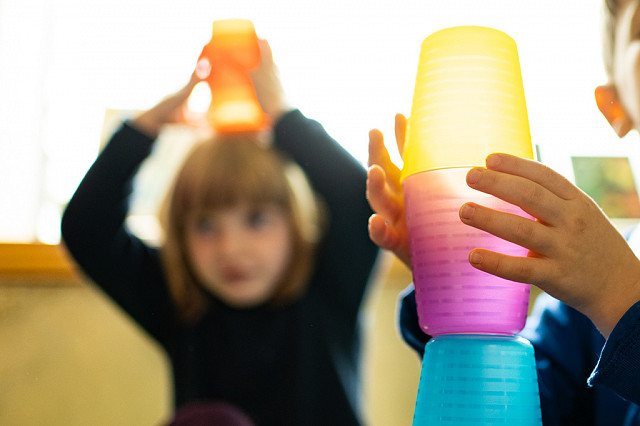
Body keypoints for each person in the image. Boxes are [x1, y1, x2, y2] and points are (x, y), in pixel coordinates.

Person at [61, 39, 379, 426]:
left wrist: (283, 116)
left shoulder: (327, 285)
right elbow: (85, 229)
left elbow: (358, 200)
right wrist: (148, 126)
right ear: (180, 234)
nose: (231, 248)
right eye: (206, 226)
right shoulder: (182, 301)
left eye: (257, 220)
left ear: (295, 225)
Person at [366, 0, 640, 424]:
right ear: (613, 106)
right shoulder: (585, 290)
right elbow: (526, 406)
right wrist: (454, 276)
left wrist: (619, 292)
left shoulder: (605, 274)